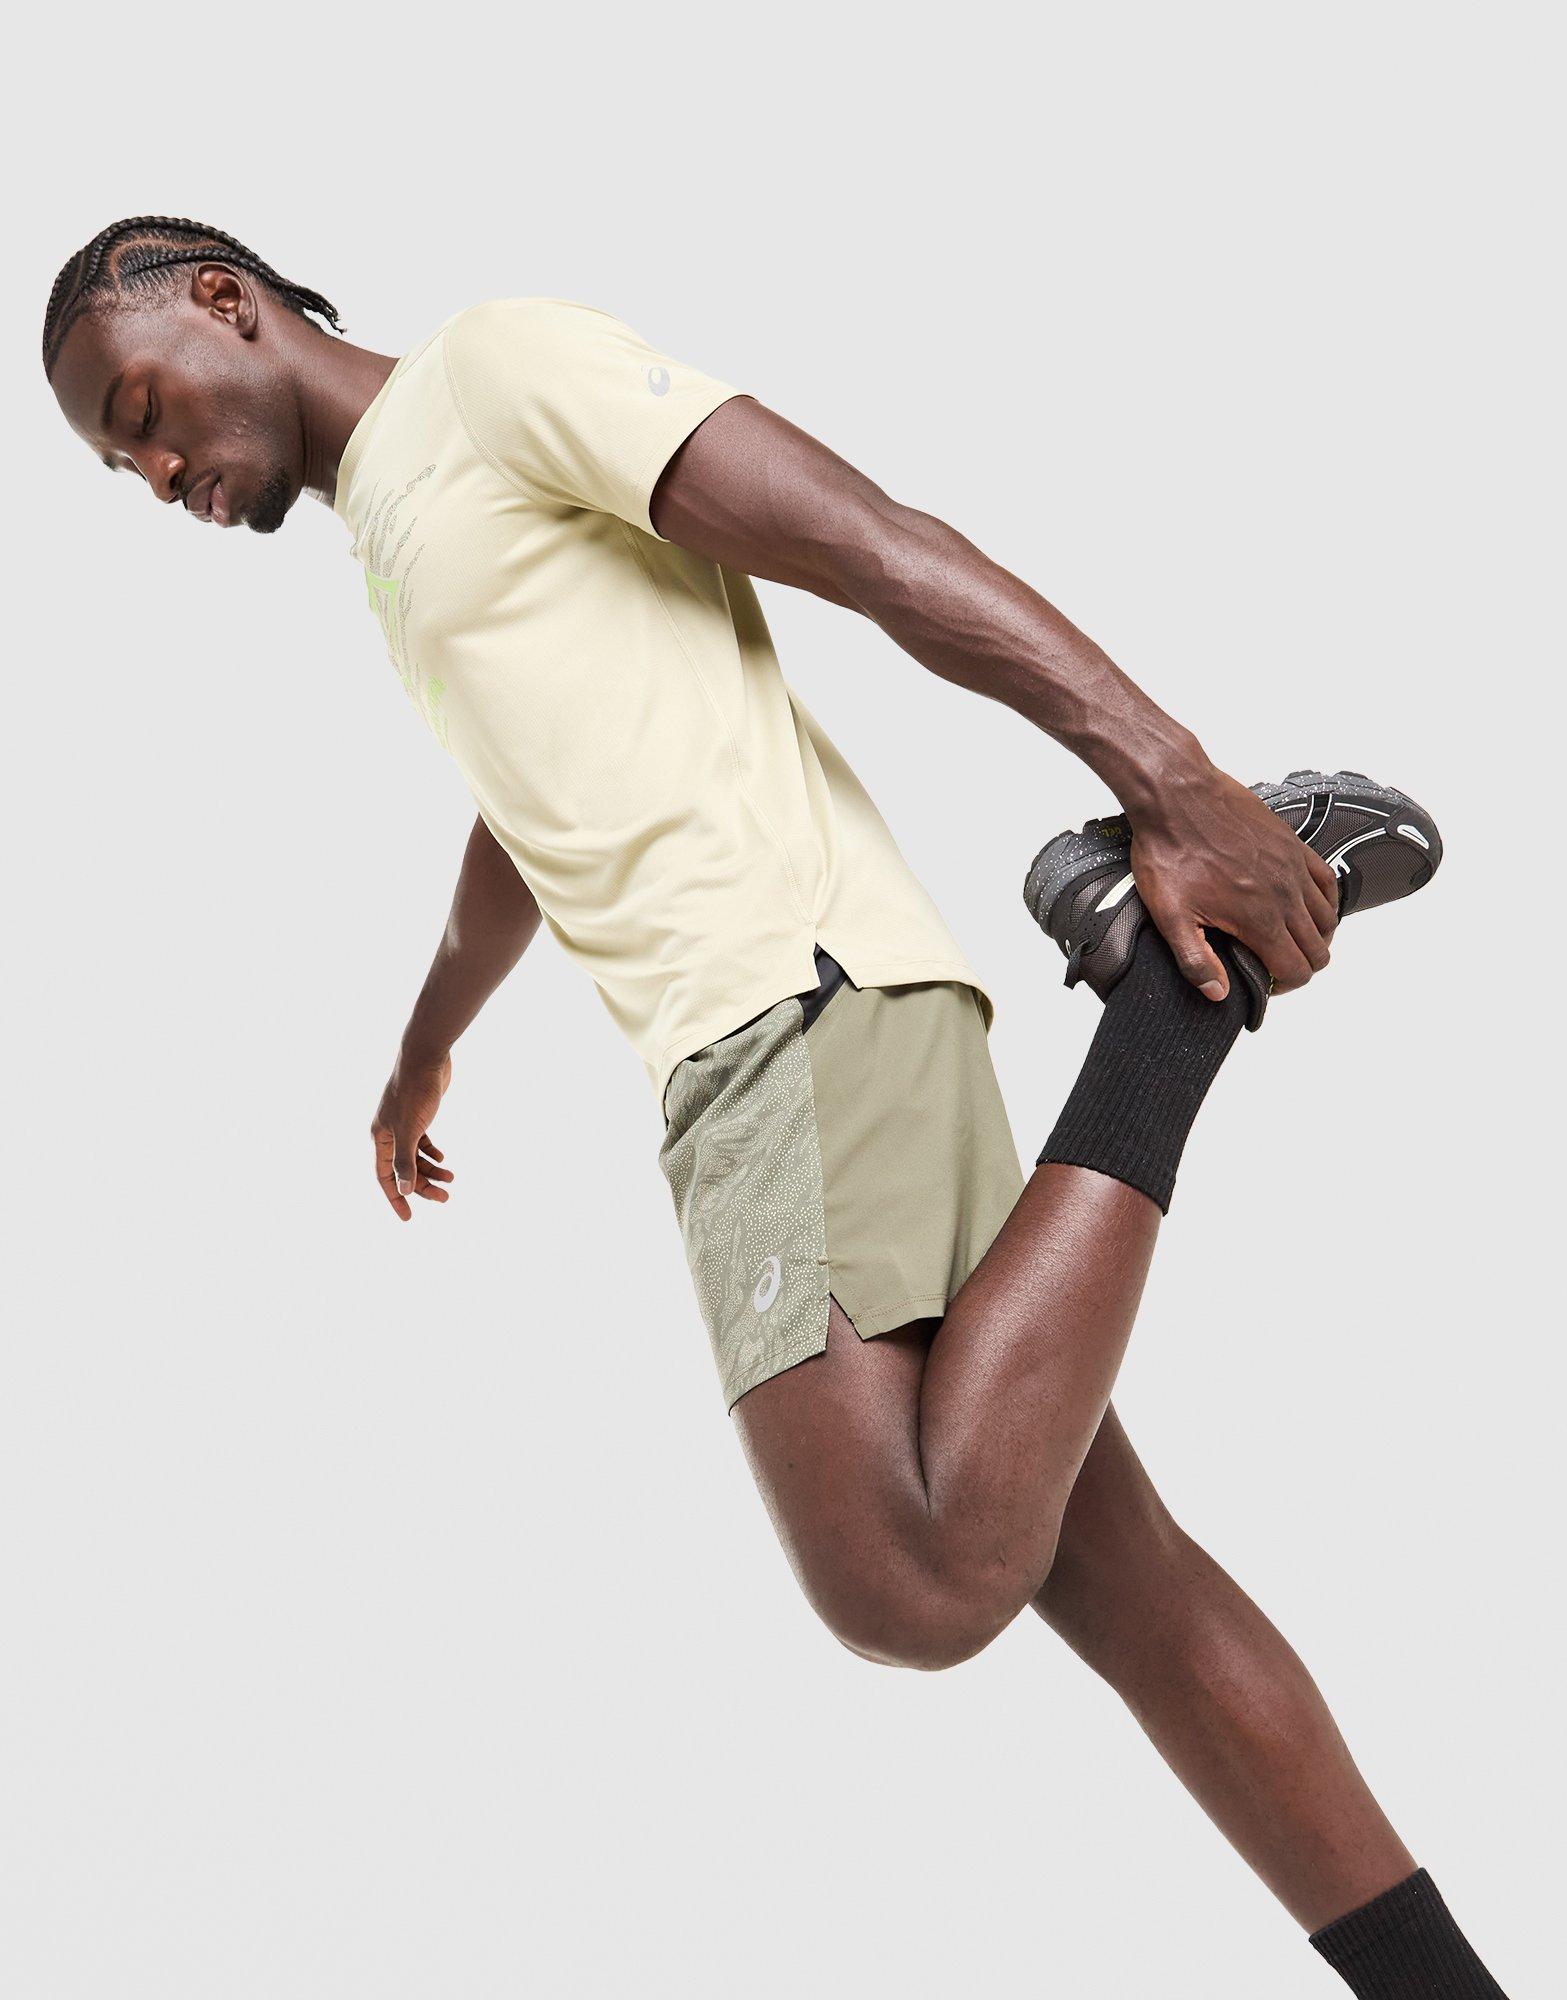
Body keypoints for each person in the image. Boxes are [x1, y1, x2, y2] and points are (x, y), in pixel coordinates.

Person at [44, 216, 1504, 1998]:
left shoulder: (494, 373)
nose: (159, 474)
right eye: (123, 468)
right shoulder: (404, 536)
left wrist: (1179, 789)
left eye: (142, 412)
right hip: (802, 1024)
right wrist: (427, 1043)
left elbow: (867, 542)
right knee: (1132, 1590)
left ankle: (1170, 1000)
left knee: (910, 1577)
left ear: (223, 300)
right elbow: (525, 812)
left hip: (784, 1018)